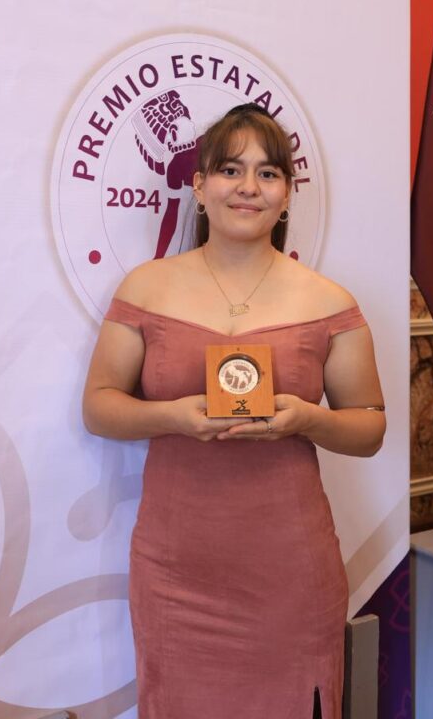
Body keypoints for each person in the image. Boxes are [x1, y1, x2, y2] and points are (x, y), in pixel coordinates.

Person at [83, 103, 386, 719]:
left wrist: (308, 419)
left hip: (290, 575)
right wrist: (173, 417)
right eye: (230, 170)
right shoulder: (145, 288)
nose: (249, 186)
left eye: (268, 173)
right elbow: (99, 407)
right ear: (199, 186)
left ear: (287, 195)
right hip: (175, 573)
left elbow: (370, 427)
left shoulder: (330, 303)